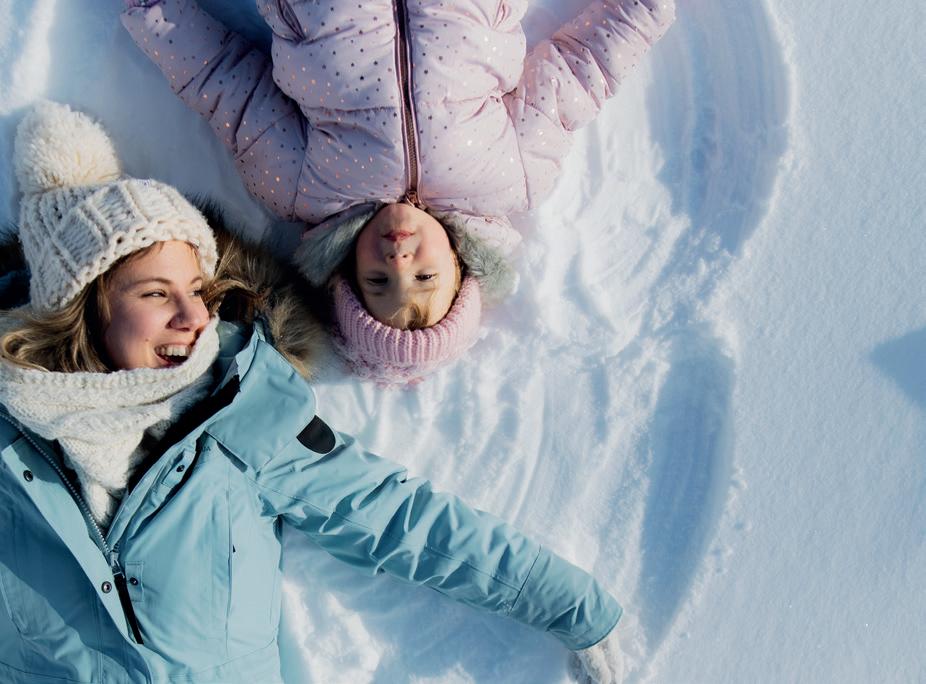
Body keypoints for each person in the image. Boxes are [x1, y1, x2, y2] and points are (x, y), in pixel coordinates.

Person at [0, 101, 625, 682]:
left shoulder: (244, 411)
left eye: (198, 291)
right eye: (156, 293)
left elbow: (397, 519)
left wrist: (572, 605)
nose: (194, 318)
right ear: (82, 307)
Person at [120, 0, 677, 385]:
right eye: (425, 277)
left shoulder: (302, 188)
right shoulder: (511, 179)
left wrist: (155, 13)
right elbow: (577, 75)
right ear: (460, 265)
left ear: (346, 273)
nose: (399, 261)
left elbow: (227, 85)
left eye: (379, 282)